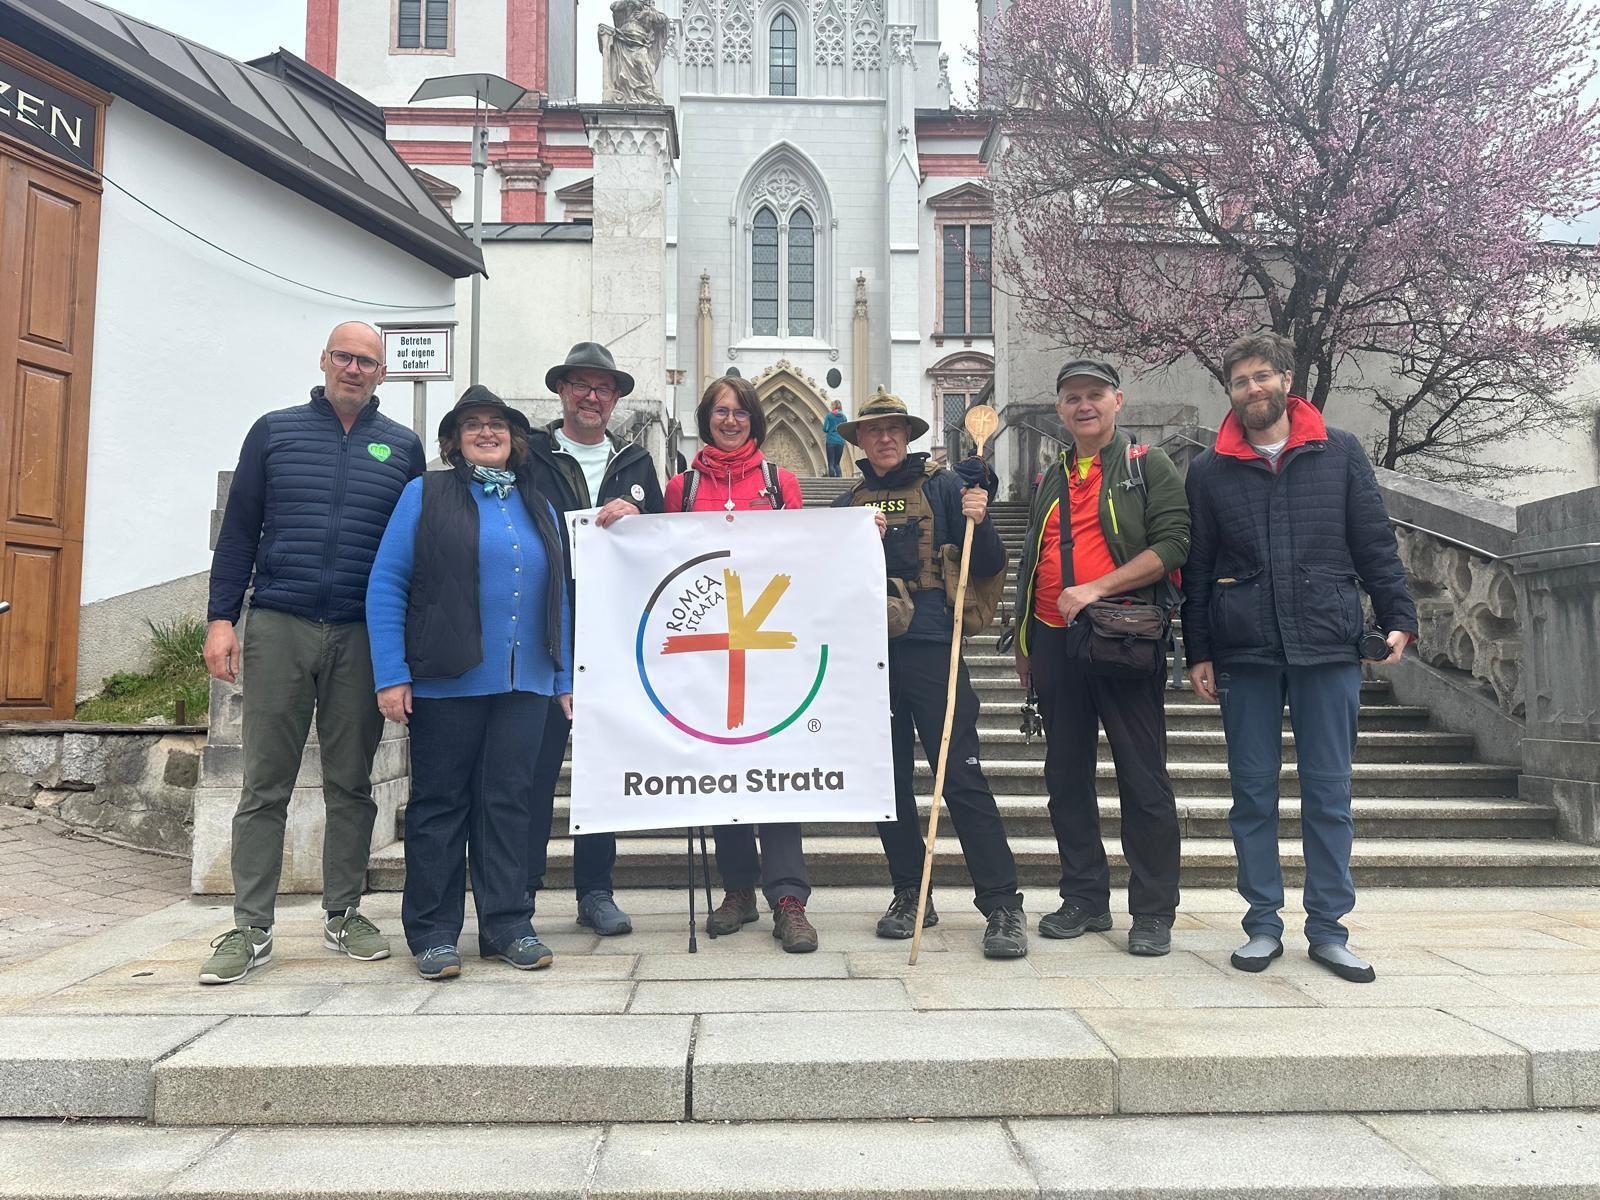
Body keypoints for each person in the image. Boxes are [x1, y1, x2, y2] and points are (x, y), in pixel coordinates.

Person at [1183, 331, 1417, 984]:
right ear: (1229, 393)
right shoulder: (1208, 470)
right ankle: (1262, 922)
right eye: (1239, 381)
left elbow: (1373, 542)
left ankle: (1329, 928)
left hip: (1328, 645)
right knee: (1252, 795)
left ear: (1286, 380)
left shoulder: (1338, 452)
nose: (1252, 389)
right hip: (1246, 651)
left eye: (1262, 377)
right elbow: (1198, 569)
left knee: (1328, 794)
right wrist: (1197, 649)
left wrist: (1400, 616)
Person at [199, 322, 424, 985]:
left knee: (351, 783)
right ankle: (249, 927)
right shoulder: (274, 432)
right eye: (344, 357)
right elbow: (240, 529)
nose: (355, 368)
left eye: (368, 361)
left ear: (384, 372)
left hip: (361, 632)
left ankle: (344, 912)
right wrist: (221, 619)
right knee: (263, 782)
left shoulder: (403, 447)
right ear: (324, 360)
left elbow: (413, 552)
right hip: (279, 623)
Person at [364, 387, 573, 979]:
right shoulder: (424, 494)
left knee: (510, 803)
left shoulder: (540, 504)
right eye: (474, 425)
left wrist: (562, 674)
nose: (488, 432)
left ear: (515, 439)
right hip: (445, 680)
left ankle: (509, 924)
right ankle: (432, 932)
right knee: (439, 806)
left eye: (498, 425)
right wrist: (391, 673)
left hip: (524, 683)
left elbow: (558, 592)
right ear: (454, 440)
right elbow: (388, 584)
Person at [832, 389, 1028, 958]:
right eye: (874, 431)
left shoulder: (944, 487)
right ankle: (910, 892)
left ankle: (1002, 905)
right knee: (889, 784)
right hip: (871, 655)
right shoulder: (849, 503)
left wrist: (981, 519)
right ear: (860, 441)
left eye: (895, 429)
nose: (885, 438)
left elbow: (986, 563)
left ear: (909, 435)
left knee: (960, 776)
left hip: (934, 646)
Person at [1012, 360, 1190, 956]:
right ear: (1060, 410)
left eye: (1094, 395)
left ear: (1118, 401)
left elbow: (1174, 544)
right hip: (1054, 639)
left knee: (1143, 776)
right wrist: (1027, 643)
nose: (1083, 405)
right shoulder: (1050, 477)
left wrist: (1095, 589)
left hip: (1122, 633)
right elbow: (1035, 562)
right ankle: (1085, 897)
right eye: (1071, 398)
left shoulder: (1148, 465)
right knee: (1065, 776)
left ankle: (1153, 910)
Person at [663, 377, 815, 952]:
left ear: (755, 420)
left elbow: (805, 556)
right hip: (706, 652)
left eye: (740, 413)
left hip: (766, 649)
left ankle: (789, 899)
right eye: (720, 412)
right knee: (719, 775)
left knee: (774, 777)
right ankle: (738, 891)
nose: (730, 421)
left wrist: (857, 532)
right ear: (706, 418)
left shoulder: (782, 484)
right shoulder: (680, 487)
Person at [524, 342, 665, 937]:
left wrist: (637, 524)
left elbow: (662, 545)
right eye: (580, 385)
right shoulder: (529, 454)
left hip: (610, 635)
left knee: (601, 769)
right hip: (541, 632)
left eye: (602, 388)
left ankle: (596, 891)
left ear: (615, 399)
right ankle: (518, 895)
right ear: (562, 391)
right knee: (531, 771)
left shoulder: (636, 463)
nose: (591, 396)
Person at [823, 400, 847, 477]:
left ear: (833, 406)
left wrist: (830, 430)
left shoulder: (829, 416)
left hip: (831, 441)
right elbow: (845, 428)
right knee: (837, 463)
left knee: (831, 463)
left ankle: (831, 480)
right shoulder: (844, 417)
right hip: (840, 441)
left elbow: (824, 429)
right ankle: (839, 478)